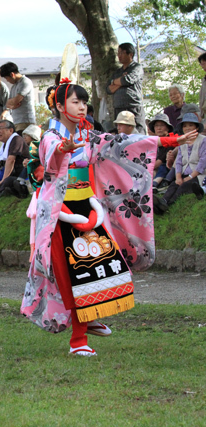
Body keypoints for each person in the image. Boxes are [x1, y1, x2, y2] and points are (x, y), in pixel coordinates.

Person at [21, 81, 197, 357]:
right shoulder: (50, 136)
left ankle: (89, 319)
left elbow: (123, 143)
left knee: (103, 264)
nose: (82, 106)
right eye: (76, 102)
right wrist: (63, 150)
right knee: (73, 274)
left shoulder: (88, 134)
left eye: (84, 102)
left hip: (88, 205)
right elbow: (52, 156)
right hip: (60, 211)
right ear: (59, 105)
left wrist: (170, 140)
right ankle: (78, 340)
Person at [161, 113, 206, 207]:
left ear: (196, 127)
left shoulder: (203, 140)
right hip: (184, 173)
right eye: (185, 126)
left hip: (198, 175)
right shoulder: (182, 142)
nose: (187, 128)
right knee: (173, 185)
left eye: (191, 125)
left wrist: (189, 177)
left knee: (184, 186)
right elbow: (178, 162)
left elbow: (203, 161)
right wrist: (178, 177)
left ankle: (168, 205)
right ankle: (162, 202)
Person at [106, 42, 146, 134]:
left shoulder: (137, 67)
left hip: (133, 106)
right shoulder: (118, 72)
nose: (119, 56)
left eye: (121, 53)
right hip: (119, 107)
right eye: (118, 53)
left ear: (130, 54)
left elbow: (127, 80)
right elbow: (108, 89)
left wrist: (118, 82)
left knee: (138, 133)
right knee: (120, 133)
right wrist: (119, 81)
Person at [0, 120, 29, 198]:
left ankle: (0, 191)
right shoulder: (3, 145)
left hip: (22, 174)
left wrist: (3, 180)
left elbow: (11, 160)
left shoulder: (16, 139)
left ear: (11, 130)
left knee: (7, 181)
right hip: (11, 174)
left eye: (1, 128)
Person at [0, 62, 36, 134]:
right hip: (16, 121)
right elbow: (8, 104)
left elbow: (16, 100)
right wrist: (12, 104)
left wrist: (13, 103)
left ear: (12, 74)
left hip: (26, 121)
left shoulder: (25, 82)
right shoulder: (14, 86)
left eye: (7, 78)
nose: (7, 80)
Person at [148, 113, 174, 188]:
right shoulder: (152, 142)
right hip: (153, 168)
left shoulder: (170, 141)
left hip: (166, 169)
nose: (159, 128)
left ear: (167, 128)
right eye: (156, 126)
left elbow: (160, 161)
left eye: (162, 125)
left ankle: (155, 184)